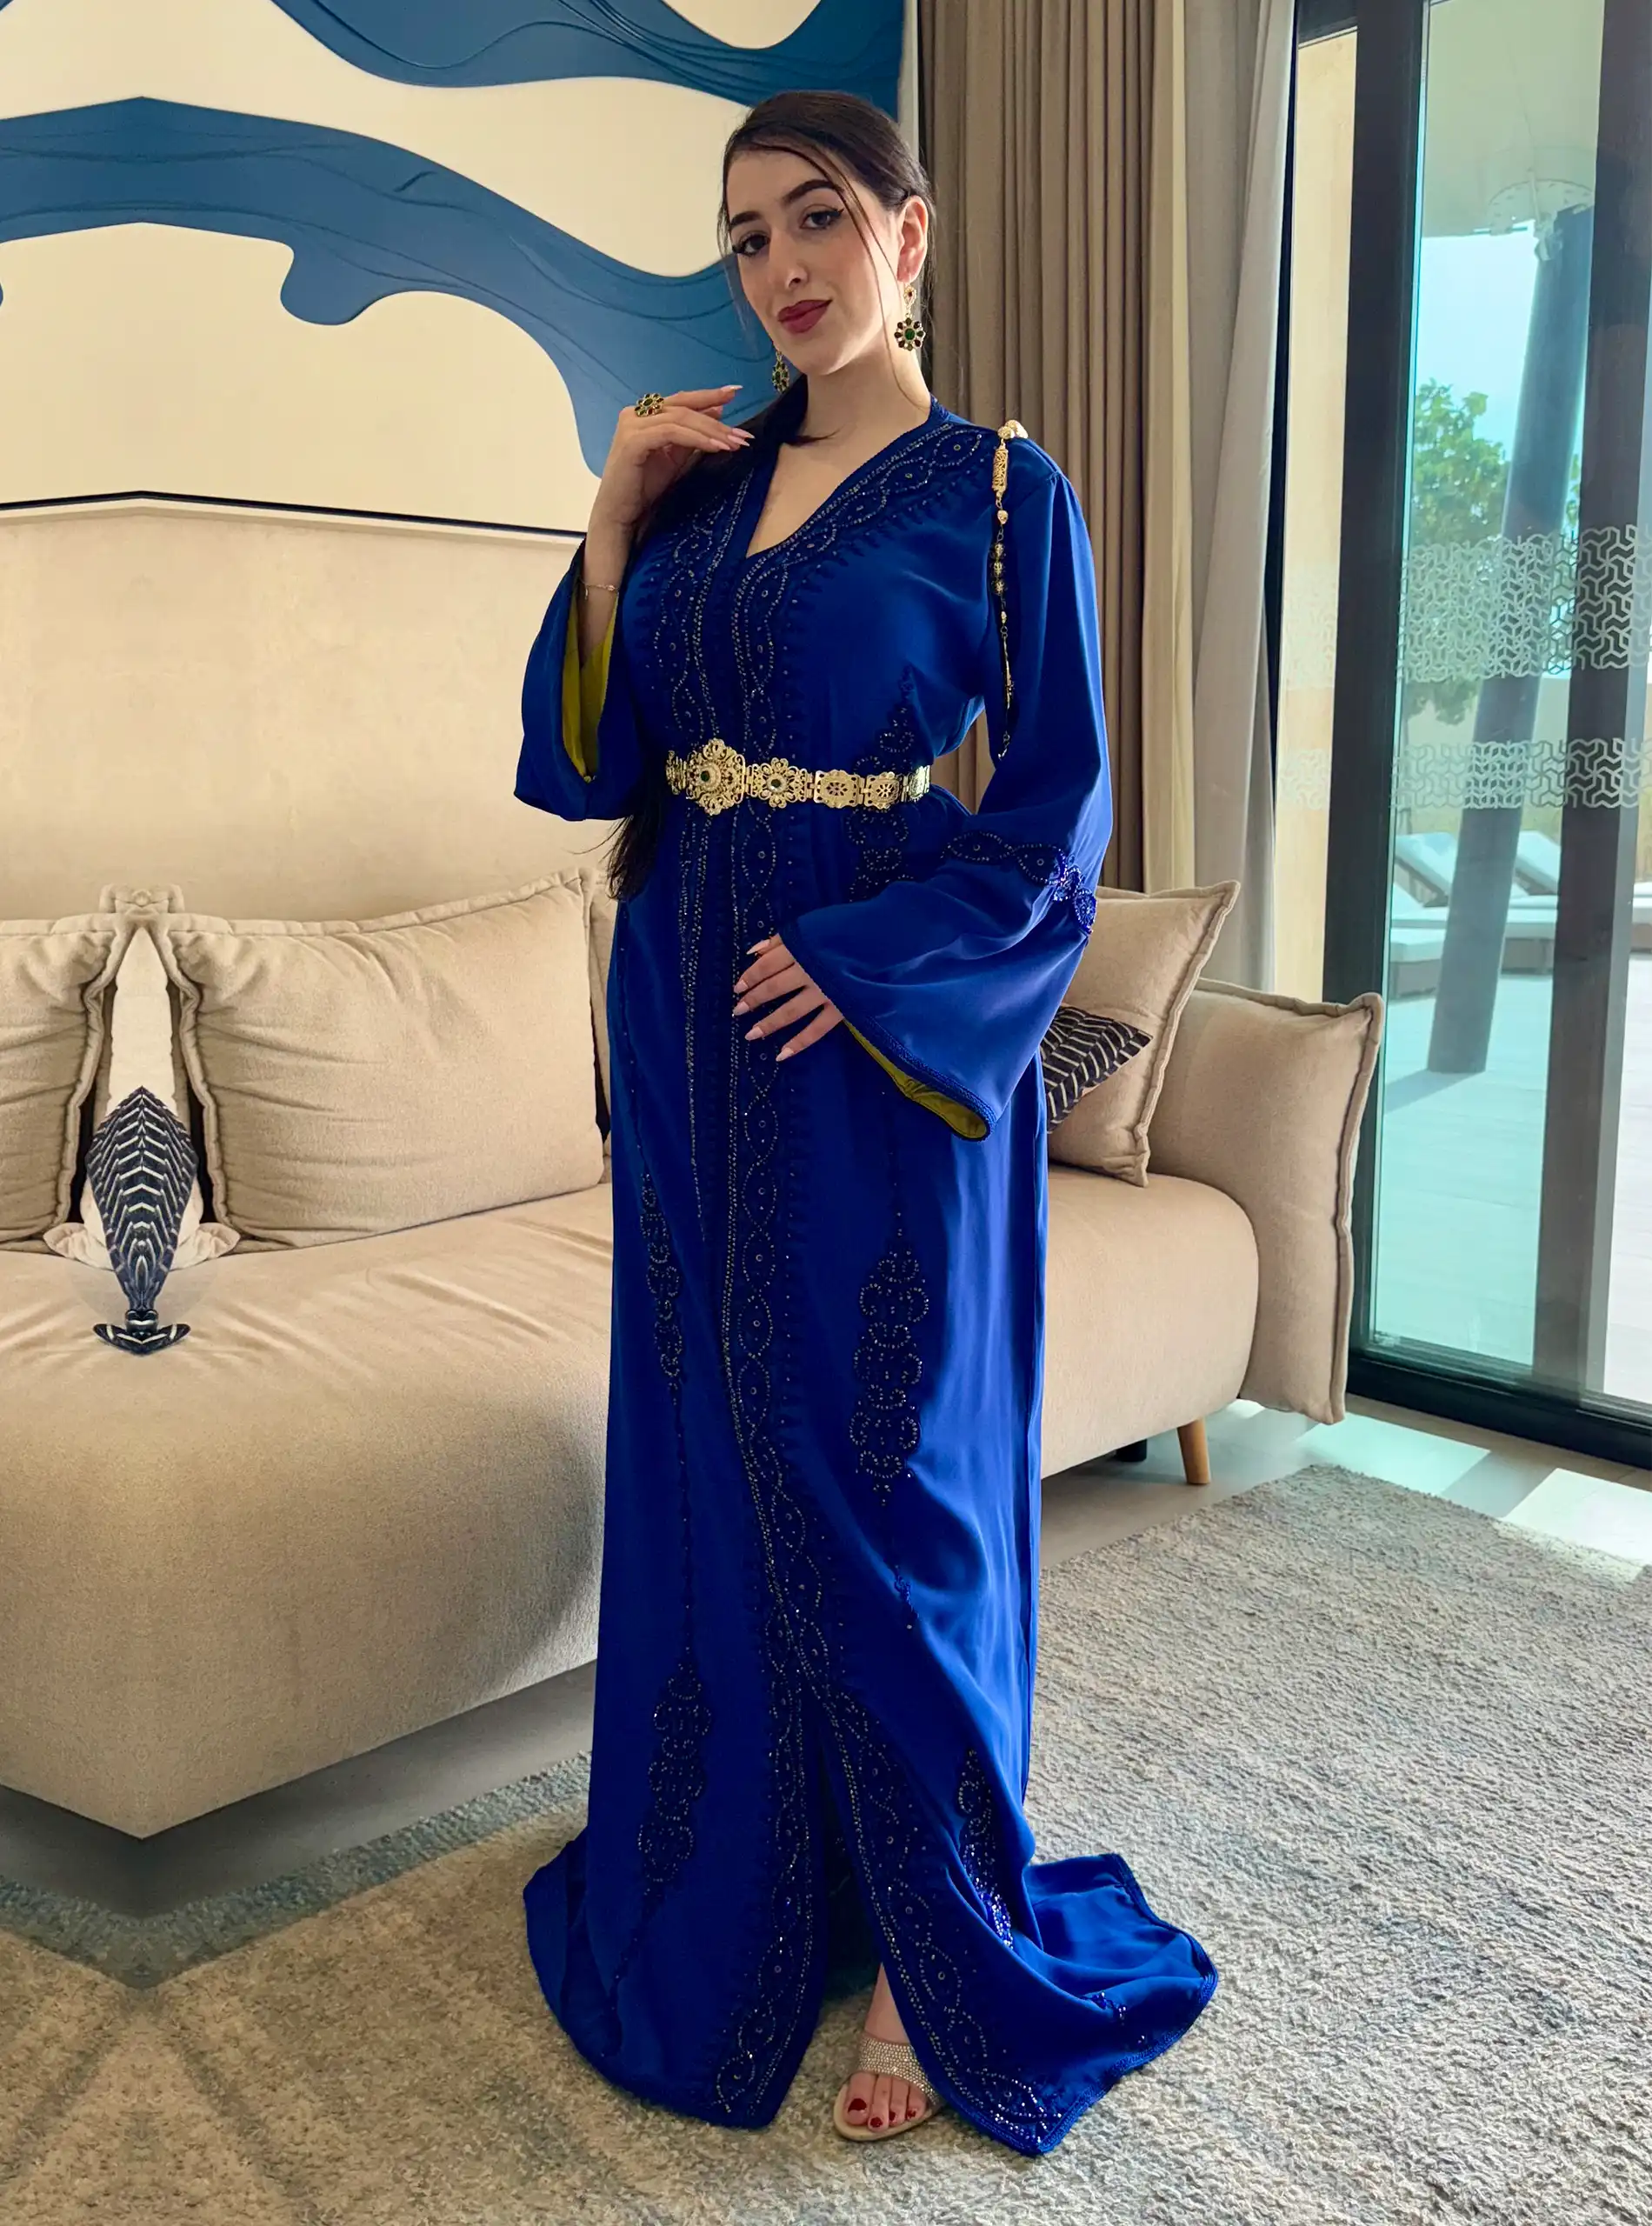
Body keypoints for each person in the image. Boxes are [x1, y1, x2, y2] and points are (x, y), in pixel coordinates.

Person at [515, 89, 1217, 2156]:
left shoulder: (999, 492)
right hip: (684, 1029)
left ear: (907, 233)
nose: (779, 266)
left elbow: (1054, 817)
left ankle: (931, 1940)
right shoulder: (706, 486)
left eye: (816, 217)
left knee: (883, 1478)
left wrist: (867, 959)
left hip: (873, 1038)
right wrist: (612, 523)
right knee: (717, 1456)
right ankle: (746, 1880)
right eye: (744, 236)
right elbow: (594, 765)